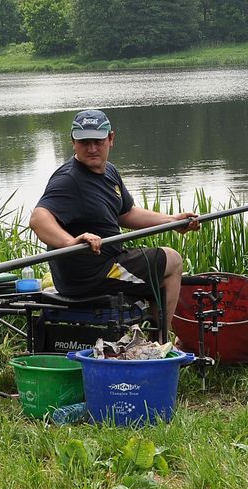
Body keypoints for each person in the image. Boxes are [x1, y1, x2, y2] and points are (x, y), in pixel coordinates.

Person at [29, 109, 199, 334]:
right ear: (73, 143)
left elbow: (126, 214)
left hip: (108, 263)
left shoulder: (109, 172)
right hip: (91, 274)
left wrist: (172, 221)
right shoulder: (69, 179)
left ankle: (150, 340)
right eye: (84, 142)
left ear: (111, 139)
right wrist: (71, 242)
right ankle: (159, 344)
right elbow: (38, 218)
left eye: (98, 141)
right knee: (173, 261)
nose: (92, 148)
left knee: (160, 268)